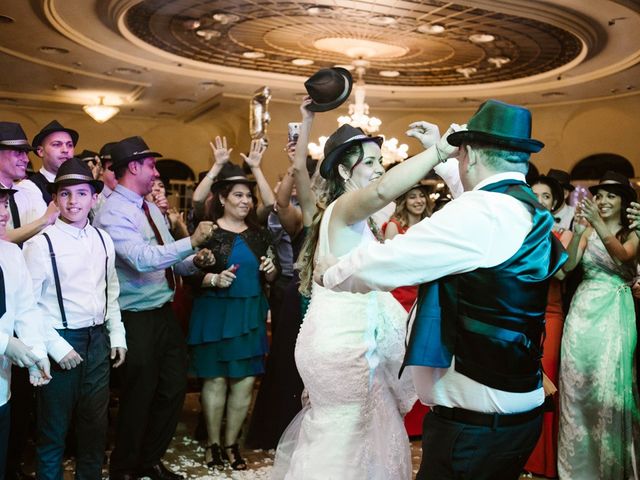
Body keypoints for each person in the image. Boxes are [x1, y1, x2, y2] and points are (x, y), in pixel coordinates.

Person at [318, 100, 567, 480]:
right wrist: (443, 161)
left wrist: (330, 273)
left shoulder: (478, 214)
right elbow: (477, 216)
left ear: (470, 154)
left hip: (474, 428)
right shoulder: (529, 207)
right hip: (517, 414)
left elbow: (389, 262)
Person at [274, 118, 460, 480]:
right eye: (371, 162)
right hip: (344, 345)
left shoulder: (364, 219)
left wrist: (437, 156)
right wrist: (439, 150)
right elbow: (381, 193)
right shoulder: (344, 208)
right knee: (346, 436)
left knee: (353, 434)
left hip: (346, 340)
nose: (380, 169)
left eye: (381, 161)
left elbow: (389, 199)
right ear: (344, 170)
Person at [93, 136, 216, 480]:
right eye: (151, 165)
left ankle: (150, 460)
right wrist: (191, 240)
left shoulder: (147, 208)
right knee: (139, 395)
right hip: (135, 318)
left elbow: (169, 260)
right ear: (133, 167)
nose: (156, 171)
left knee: (173, 389)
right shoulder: (114, 212)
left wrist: (195, 260)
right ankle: (125, 468)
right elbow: (142, 260)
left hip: (162, 312)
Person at [22, 158, 127, 480]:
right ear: (55, 199)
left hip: (98, 342)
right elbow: (27, 306)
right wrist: (55, 347)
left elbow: (110, 292)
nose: (73, 202)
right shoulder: (41, 244)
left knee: (94, 430)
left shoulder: (103, 239)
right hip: (61, 340)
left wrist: (117, 335)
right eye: (65, 194)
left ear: (93, 198)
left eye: (81, 194)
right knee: (53, 432)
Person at [187, 162, 279, 471]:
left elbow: (273, 273)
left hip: (249, 314)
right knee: (214, 382)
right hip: (215, 312)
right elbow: (194, 268)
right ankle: (213, 445)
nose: (245, 201)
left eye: (248, 197)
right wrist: (208, 268)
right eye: (238, 195)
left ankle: (232, 446)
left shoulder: (261, 235)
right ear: (223, 198)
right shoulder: (208, 231)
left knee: (244, 383)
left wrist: (270, 271)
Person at [559, 170, 640, 478]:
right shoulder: (588, 229)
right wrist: (579, 232)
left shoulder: (633, 231)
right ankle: (579, 467)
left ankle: (610, 464)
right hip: (582, 312)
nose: (603, 201)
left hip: (615, 310)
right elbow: (566, 269)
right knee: (578, 383)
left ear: (624, 201)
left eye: (611, 195)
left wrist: (600, 225)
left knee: (607, 386)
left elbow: (623, 257)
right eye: (600, 195)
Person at [0, 185, 52, 479]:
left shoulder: (9, 252)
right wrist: (5, 343)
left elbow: (25, 308)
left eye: (5, 204)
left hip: (1, 389)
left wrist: (36, 352)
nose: (2, 213)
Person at [525, 174, 572, 478]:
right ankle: (522, 456)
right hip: (520, 313)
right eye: (535, 195)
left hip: (550, 315)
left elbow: (559, 274)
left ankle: (543, 462)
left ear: (554, 202)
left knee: (547, 383)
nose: (539, 200)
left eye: (545, 196)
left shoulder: (563, 234)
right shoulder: (517, 231)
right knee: (523, 383)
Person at [20, 120, 78, 205]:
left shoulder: (79, 184)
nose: (65, 150)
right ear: (40, 151)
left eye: (69, 145)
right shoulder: (28, 188)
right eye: (56, 144)